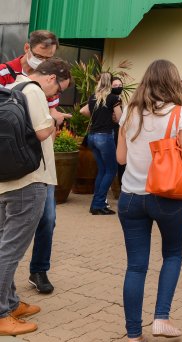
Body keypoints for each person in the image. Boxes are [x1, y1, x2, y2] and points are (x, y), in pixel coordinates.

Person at [116, 59, 182, 341]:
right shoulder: (181, 113)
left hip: (130, 196)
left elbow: (120, 158)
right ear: (173, 82)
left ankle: (132, 334)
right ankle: (161, 318)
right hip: (167, 197)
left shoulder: (129, 111)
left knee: (135, 266)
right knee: (172, 255)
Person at [0, 58, 71, 336]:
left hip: (8, 179)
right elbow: (43, 133)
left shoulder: (14, 86)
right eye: (59, 89)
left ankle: (11, 302)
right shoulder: (35, 91)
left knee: (5, 245)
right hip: (30, 181)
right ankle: (1, 313)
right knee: (10, 250)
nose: (56, 95)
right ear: (51, 78)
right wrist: (54, 119)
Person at [80, 72, 123, 215]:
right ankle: (98, 204)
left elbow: (84, 111)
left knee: (102, 170)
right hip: (105, 137)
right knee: (111, 170)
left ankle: (96, 204)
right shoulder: (114, 98)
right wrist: (111, 118)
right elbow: (120, 119)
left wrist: (99, 118)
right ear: (110, 83)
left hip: (92, 137)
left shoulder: (93, 97)